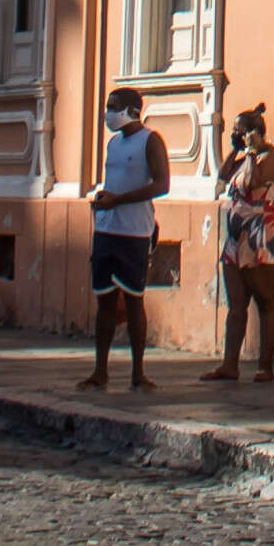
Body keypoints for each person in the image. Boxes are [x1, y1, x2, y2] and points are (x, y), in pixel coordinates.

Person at [81, 87, 167, 390]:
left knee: (133, 302)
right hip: (106, 228)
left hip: (134, 232)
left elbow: (161, 184)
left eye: (113, 107)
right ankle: (99, 371)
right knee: (104, 302)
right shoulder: (114, 144)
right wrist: (105, 198)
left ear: (132, 110)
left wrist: (119, 200)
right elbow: (113, 182)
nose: (107, 113)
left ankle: (138, 373)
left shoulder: (150, 141)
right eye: (107, 106)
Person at [202, 105, 274, 382]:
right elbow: (224, 176)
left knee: (265, 300)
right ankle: (230, 364)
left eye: (241, 131)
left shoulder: (271, 156)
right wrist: (235, 151)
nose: (238, 135)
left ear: (256, 132)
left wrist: (252, 152)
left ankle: (266, 365)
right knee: (236, 303)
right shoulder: (242, 157)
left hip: (262, 235)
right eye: (235, 132)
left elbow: (253, 183)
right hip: (236, 237)